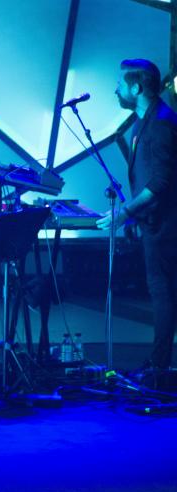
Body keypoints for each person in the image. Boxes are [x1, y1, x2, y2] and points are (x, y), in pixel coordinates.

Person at [98, 58, 177, 389]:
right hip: (154, 222)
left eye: (120, 83)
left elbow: (160, 182)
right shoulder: (145, 121)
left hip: (166, 225)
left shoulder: (160, 124)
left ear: (136, 87)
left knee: (163, 291)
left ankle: (160, 366)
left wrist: (125, 213)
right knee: (162, 291)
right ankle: (159, 362)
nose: (116, 89)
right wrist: (133, 216)